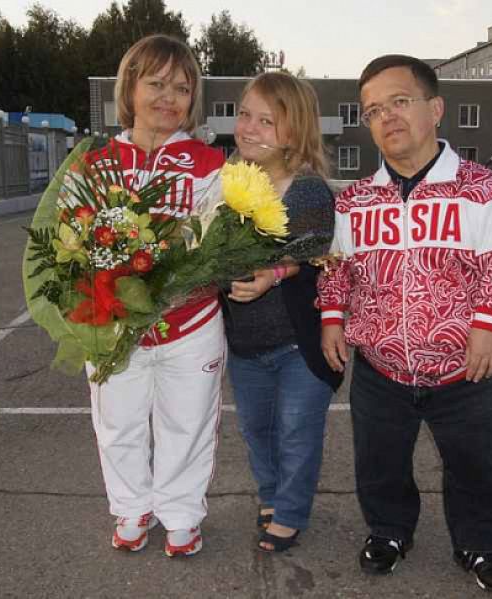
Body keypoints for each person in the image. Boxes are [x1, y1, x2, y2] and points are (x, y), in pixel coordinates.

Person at [318, 55, 492, 594]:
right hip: (380, 369)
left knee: (475, 462)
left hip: (464, 370)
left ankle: (481, 542)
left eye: (399, 102)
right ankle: (389, 532)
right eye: (373, 111)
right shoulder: (353, 201)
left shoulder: (484, 190)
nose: (387, 117)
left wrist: (490, 322)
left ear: (434, 109)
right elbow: (337, 268)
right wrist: (331, 319)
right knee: (379, 460)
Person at [81, 35, 225, 558]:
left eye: (182, 88)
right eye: (156, 83)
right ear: (130, 89)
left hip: (191, 323)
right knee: (117, 422)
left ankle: (182, 513)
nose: (169, 97)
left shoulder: (212, 163)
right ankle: (132, 506)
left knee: (186, 423)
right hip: (114, 323)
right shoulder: (93, 159)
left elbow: (223, 244)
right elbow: (70, 239)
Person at [223, 72, 342, 553]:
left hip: (298, 344)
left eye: (266, 121)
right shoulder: (226, 188)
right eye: (245, 114)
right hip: (245, 345)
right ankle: (271, 496)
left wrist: (274, 273)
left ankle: (290, 512)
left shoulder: (309, 190)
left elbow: (314, 246)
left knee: (296, 432)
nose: (249, 128)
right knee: (257, 432)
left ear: (294, 131)